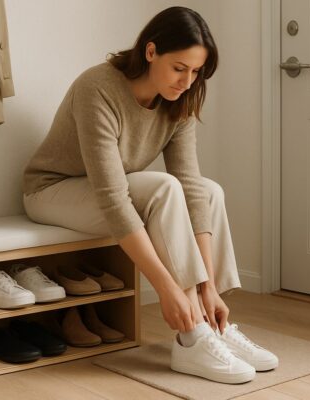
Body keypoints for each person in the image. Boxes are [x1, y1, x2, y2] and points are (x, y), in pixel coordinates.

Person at [22, 6, 278, 384]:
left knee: (209, 192)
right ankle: (192, 340)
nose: (187, 82)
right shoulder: (98, 87)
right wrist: (166, 288)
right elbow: (112, 197)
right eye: (179, 68)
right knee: (163, 186)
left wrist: (206, 285)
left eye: (196, 72)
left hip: (109, 191)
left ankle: (212, 321)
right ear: (151, 51)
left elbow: (190, 184)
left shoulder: (181, 99)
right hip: (51, 191)